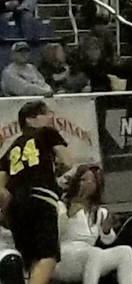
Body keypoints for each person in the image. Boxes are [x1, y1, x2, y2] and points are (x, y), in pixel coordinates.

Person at [0, 100, 74, 284]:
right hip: (40, 197)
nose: (51, 118)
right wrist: (54, 174)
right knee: (48, 256)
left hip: (16, 204)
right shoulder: (47, 133)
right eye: (46, 114)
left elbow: (1, 185)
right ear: (30, 119)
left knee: (32, 258)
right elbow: (67, 161)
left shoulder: (13, 146)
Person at [54, 165, 132, 284]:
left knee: (125, 251)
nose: (88, 183)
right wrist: (68, 216)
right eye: (83, 180)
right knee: (95, 253)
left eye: (92, 181)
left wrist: (106, 230)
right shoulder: (62, 205)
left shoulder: (100, 212)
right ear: (76, 182)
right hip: (65, 257)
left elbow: (108, 240)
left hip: (89, 256)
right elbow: (55, 234)